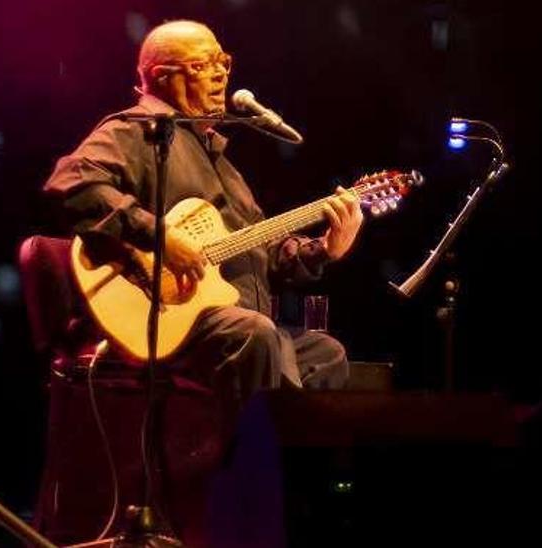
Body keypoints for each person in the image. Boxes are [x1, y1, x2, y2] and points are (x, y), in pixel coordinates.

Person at [42, 20, 360, 403]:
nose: (220, 74)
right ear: (161, 76)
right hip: (171, 322)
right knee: (256, 335)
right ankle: (252, 455)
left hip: (233, 324)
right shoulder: (133, 132)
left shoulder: (221, 163)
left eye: (223, 62)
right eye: (202, 65)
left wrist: (322, 250)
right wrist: (159, 237)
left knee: (327, 353)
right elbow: (70, 185)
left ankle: (280, 453)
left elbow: (261, 252)